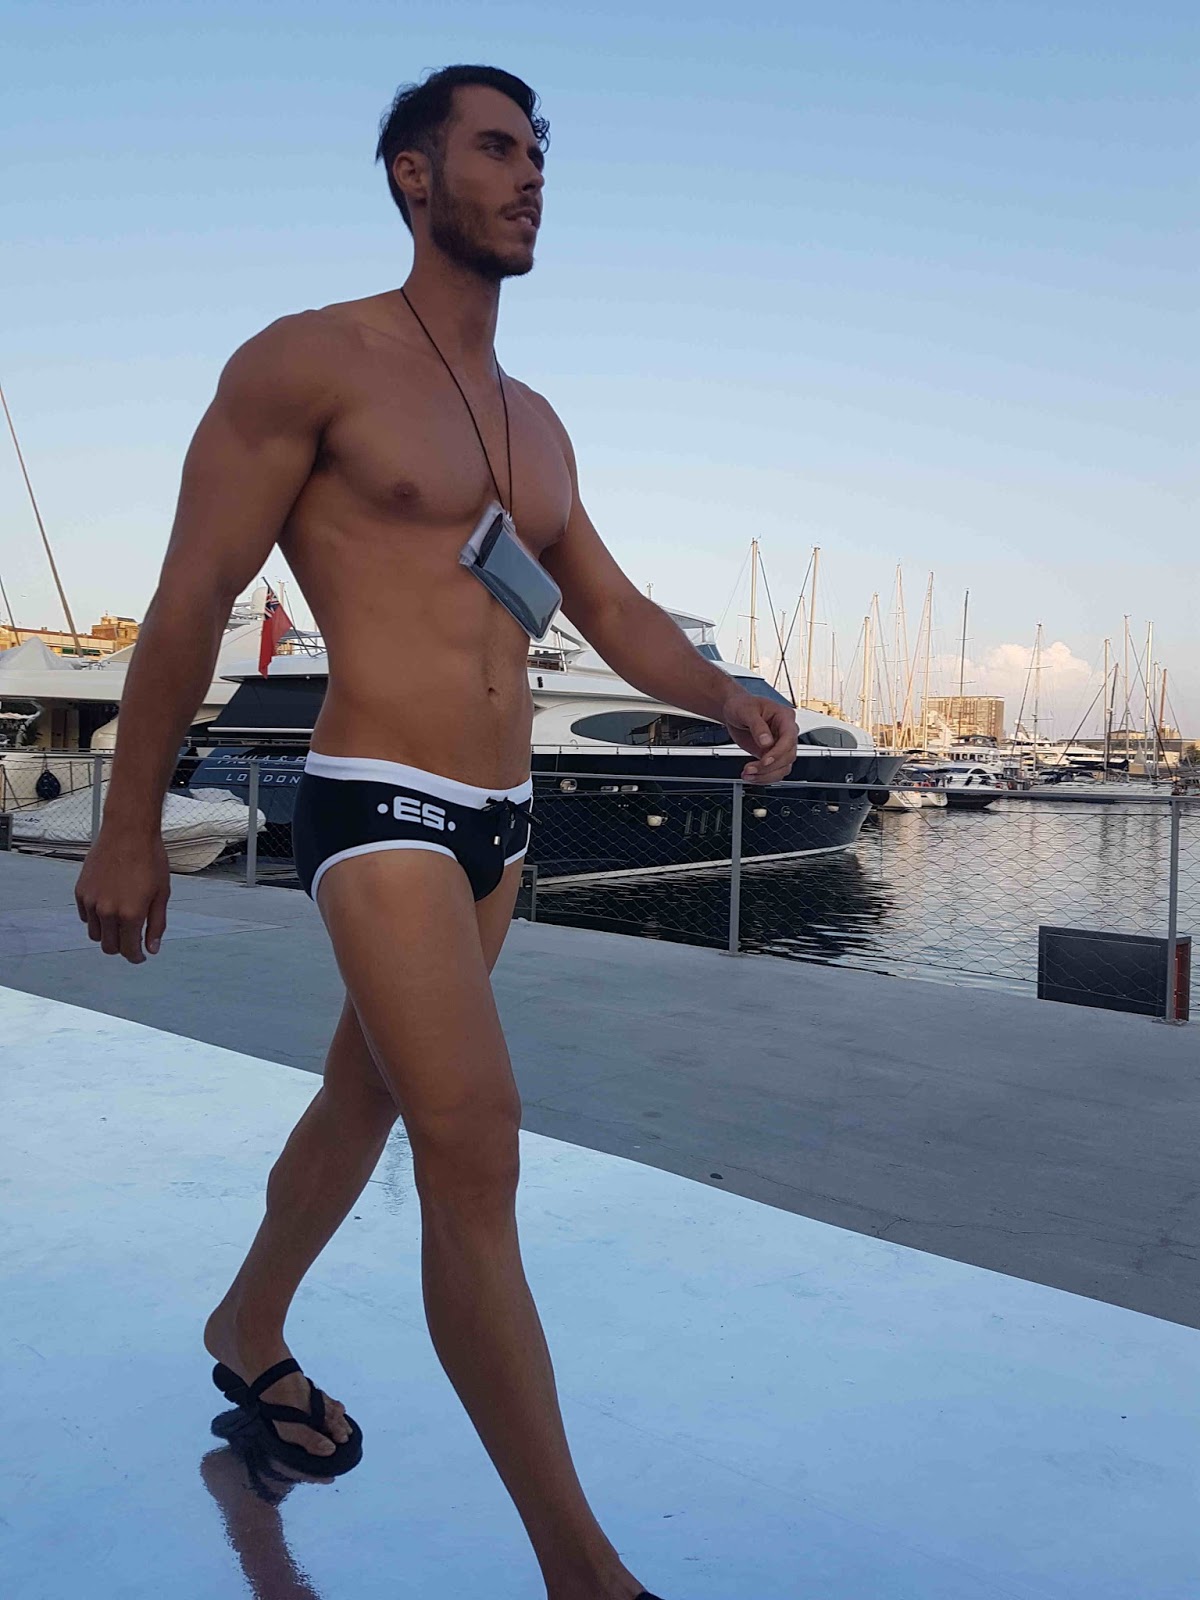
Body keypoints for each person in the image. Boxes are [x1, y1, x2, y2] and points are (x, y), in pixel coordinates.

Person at [74, 64, 798, 1600]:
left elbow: (609, 608)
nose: (531, 176)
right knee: (474, 1143)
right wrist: (126, 826)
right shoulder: (308, 362)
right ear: (414, 174)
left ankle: (247, 1323)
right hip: (380, 798)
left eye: (539, 153)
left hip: (502, 821)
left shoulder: (537, 424)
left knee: (370, 1097)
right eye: (497, 147)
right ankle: (586, 1573)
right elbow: (193, 595)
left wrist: (725, 691)